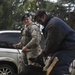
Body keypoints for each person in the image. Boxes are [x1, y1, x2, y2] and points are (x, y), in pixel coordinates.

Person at [33, 9, 75, 75]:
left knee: (56, 69)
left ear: (44, 16)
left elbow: (51, 44)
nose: (39, 23)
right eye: (37, 22)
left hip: (69, 47)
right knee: (52, 66)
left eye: (39, 20)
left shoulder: (53, 25)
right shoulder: (51, 23)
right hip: (64, 47)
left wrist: (43, 54)